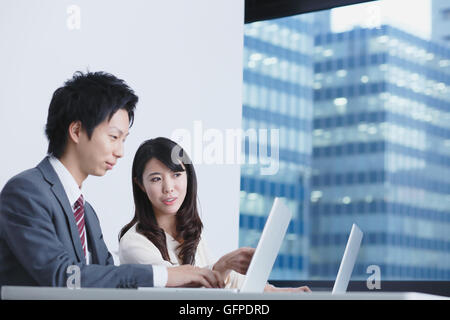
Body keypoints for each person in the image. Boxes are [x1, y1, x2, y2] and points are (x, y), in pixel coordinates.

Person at [0, 71, 223, 289]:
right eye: (114, 137)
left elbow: (109, 282)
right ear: (76, 131)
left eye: (123, 139)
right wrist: (165, 275)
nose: (120, 151)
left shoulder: (86, 212)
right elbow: (63, 276)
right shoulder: (26, 192)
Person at [119, 137, 311, 292]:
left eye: (176, 175)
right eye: (156, 179)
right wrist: (221, 266)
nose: (168, 188)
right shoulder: (133, 242)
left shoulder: (191, 232)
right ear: (141, 185)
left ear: (188, 177)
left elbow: (230, 280)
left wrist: (276, 292)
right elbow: (175, 287)